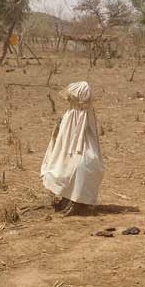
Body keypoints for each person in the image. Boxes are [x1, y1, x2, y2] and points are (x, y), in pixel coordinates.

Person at [40, 81, 105, 215]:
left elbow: (85, 133)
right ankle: (67, 199)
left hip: (80, 146)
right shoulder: (71, 115)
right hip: (67, 149)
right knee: (66, 165)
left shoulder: (85, 114)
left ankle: (78, 202)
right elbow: (63, 139)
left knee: (85, 164)